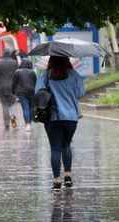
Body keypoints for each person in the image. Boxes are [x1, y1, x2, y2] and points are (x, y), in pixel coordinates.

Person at [35, 56, 85, 191]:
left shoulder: (46, 75)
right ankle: (68, 177)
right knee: (66, 145)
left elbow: (38, 93)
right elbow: (80, 93)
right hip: (71, 117)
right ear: (67, 60)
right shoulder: (74, 74)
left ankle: (57, 180)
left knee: (55, 148)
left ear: (50, 61)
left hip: (52, 117)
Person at [0, 48, 19, 129]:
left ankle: (6, 123)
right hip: (12, 86)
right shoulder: (14, 62)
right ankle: (12, 116)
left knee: (4, 105)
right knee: (11, 104)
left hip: (1, 87)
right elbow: (17, 75)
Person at [12, 58, 37, 131]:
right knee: (30, 108)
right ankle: (30, 122)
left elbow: (14, 83)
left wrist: (13, 91)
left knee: (25, 107)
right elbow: (35, 82)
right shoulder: (32, 72)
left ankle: (28, 124)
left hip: (21, 92)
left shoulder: (17, 72)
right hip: (31, 91)